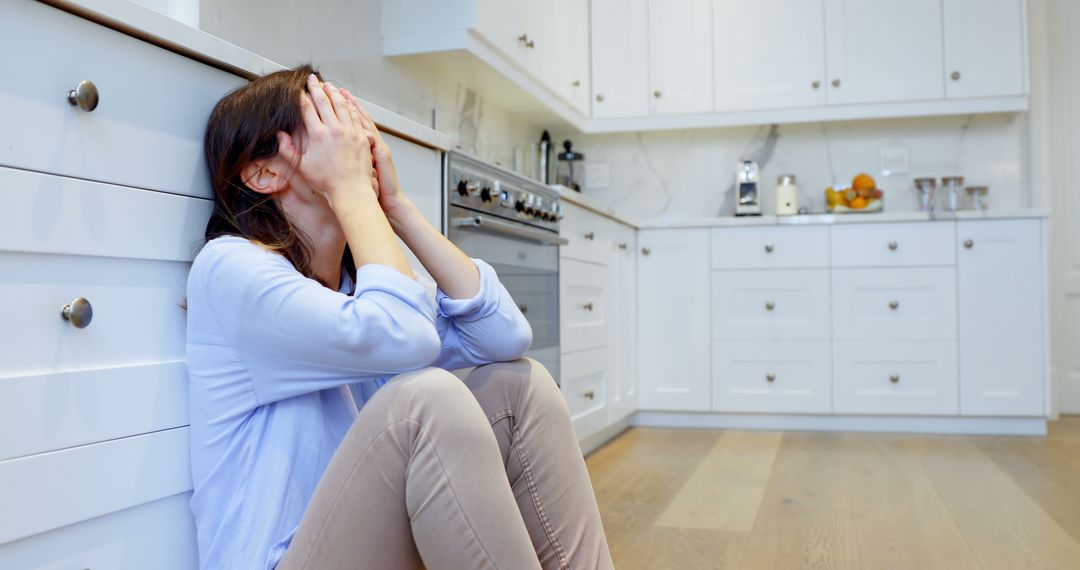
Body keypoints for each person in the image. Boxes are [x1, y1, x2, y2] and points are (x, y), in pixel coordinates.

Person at [185, 65, 614, 569]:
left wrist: (399, 207)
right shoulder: (232, 268)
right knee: (424, 400)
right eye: (326, 123)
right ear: (264, 173)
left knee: (522, 388)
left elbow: (505, 335)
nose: (354, 139)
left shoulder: (359, 288)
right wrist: (352, 192)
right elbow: (404, 336)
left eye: (351, 121)